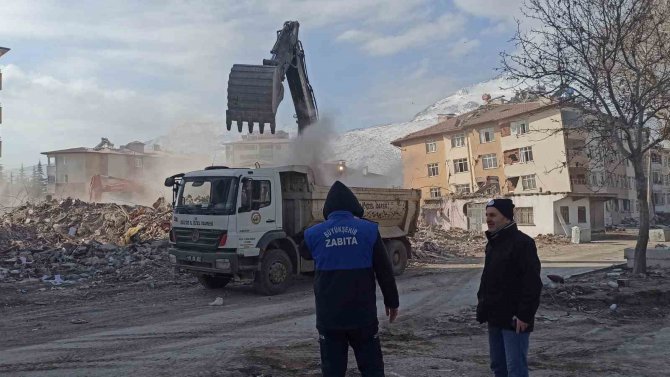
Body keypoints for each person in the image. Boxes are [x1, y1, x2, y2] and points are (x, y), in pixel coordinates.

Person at [300, 181, 399, 377]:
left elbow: (304, 253)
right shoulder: (368, 230)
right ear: (354, 207)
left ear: (327, 209)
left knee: (333, 370)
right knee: (372, 368)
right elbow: (384, 270)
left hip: (329, 318)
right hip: (362, 316)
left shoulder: (314, 234)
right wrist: (392, 301)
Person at [476, 198, 542, 377]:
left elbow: (532, 283)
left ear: (505, 217)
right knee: (498, 366)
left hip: (515, 319)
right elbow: (488, 279)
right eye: (487, 215)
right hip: (495, 316)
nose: (489, 219)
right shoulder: (492, 244)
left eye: (493, 215)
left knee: (515, 369)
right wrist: (483, 306)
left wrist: (524, 315)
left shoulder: (523, 243)